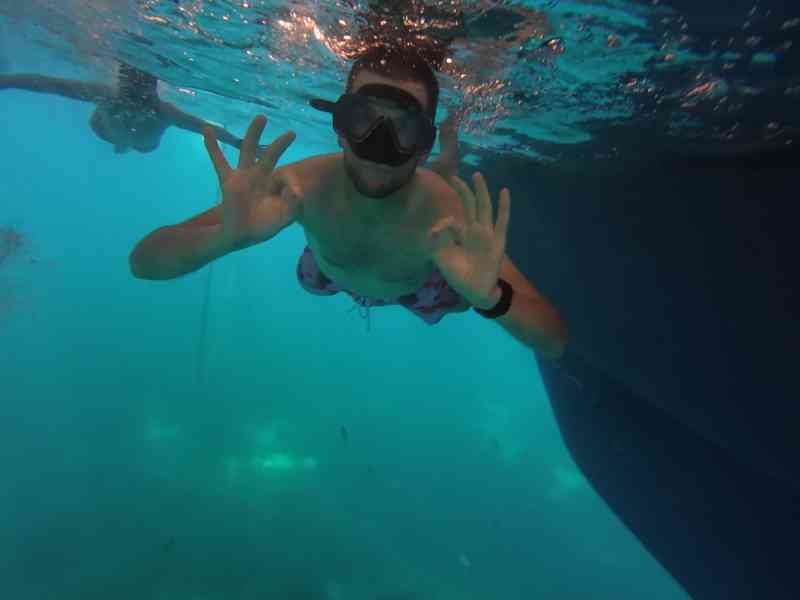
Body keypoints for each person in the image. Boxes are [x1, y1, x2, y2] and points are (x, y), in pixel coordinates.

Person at [129, 45, 568, 359]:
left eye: (404, 131)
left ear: (422, 144)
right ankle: (442, 161)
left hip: (419, 288)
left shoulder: (448, 216)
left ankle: (448, 162)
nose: (379, 147)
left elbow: (555, 339)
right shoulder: (300, 187)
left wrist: (491, 298)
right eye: (363, 121)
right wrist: (223, 239)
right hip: (326, 273)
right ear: (340, 126)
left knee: (454, 293)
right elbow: (144, 262)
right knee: (313, 277)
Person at [0, 62, 243, 153]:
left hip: (141, 143)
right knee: (111, 127)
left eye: (139, 88)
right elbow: (49, 84)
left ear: (152, 87)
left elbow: (204, 127)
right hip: (111, 132)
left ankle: (123, 143)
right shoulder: (106, 95)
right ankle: (121, 143)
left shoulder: (163, 111)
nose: (135, 93)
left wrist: (238, 143)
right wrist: (7, 81)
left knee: (137, 143)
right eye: (130, 86)